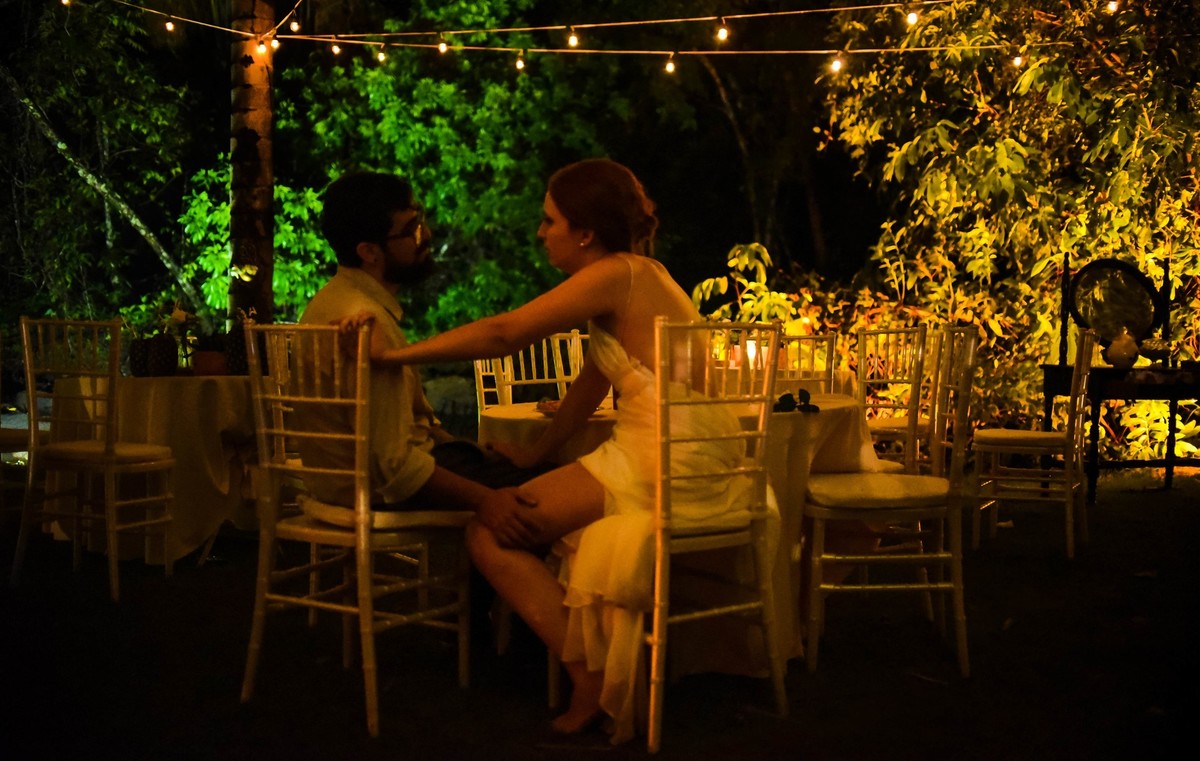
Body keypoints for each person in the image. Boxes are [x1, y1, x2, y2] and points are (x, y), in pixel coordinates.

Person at [338, 159, 759, 742]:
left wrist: (391, 358)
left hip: (667, 452)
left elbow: (506, 333)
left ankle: (589, 674)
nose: (540, 233)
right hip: (682, 446)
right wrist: (537, 454)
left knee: (490, 527)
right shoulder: (635, 274)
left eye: (548, 220)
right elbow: (593, 380)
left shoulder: (616, 272)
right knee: (519, 500)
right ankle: (591, 659)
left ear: (584, 232)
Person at [299, 171, 539, 527]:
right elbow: (395, 466)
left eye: (421, 221)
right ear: (369, 252)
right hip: (371, 490)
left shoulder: (329, 301)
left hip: (340, 482)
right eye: (411, 229)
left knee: (525, 465)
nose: (425, 236)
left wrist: (472, 451)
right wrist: (486, 500)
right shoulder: (364, 324)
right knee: (550, 489)